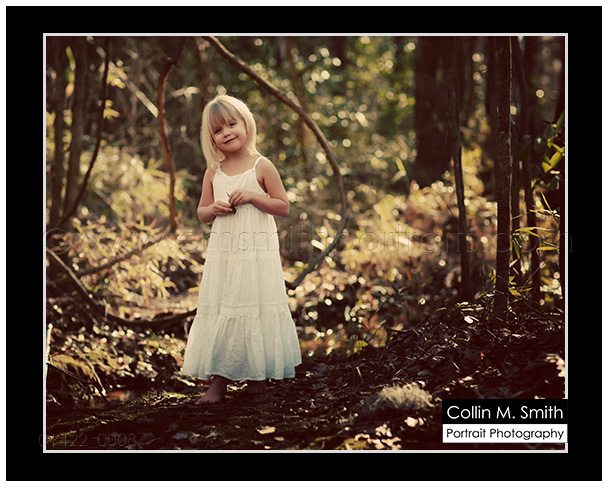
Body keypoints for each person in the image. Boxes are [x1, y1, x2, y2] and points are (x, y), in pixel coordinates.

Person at [182, 94, 302, 403]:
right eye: (218, 130)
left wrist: (251, 196)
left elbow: (282, 206)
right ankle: (218, 382)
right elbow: (202, 212)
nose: (226, 133)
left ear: (246, 124)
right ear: (212, 139)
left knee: (253, 302)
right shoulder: (214, 171)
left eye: (231, 124)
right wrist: (214, 209)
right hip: (226, 253)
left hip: (256, 253)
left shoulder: (262, 166)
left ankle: (256, 375)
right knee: (227, 305)